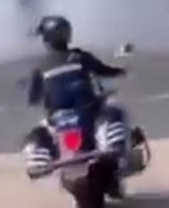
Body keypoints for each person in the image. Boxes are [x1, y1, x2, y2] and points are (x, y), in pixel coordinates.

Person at [22, 15, 127, 195]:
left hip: (57, 118)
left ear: (46, 39)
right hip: (86, 113)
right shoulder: (80, 57)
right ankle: (113, 160)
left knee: (39, 132)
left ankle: (42, 156)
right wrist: (123, 70)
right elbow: (105, 71)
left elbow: (33, 98)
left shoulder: (40, 66)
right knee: (113, 113)